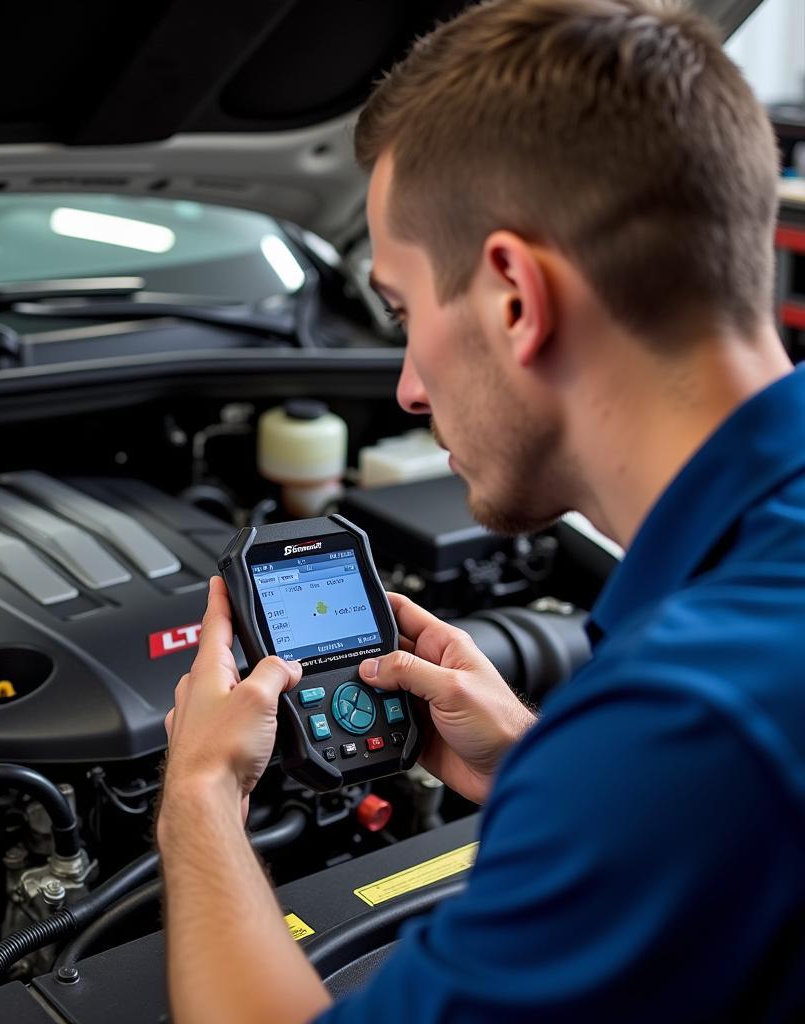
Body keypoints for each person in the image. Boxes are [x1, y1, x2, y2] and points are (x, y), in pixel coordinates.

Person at [156, 0, 805, 1020]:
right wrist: (540, 769)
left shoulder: (692, 720)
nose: (409, 388)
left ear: (513, 296)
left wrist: (197, 803)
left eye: (408, 313)